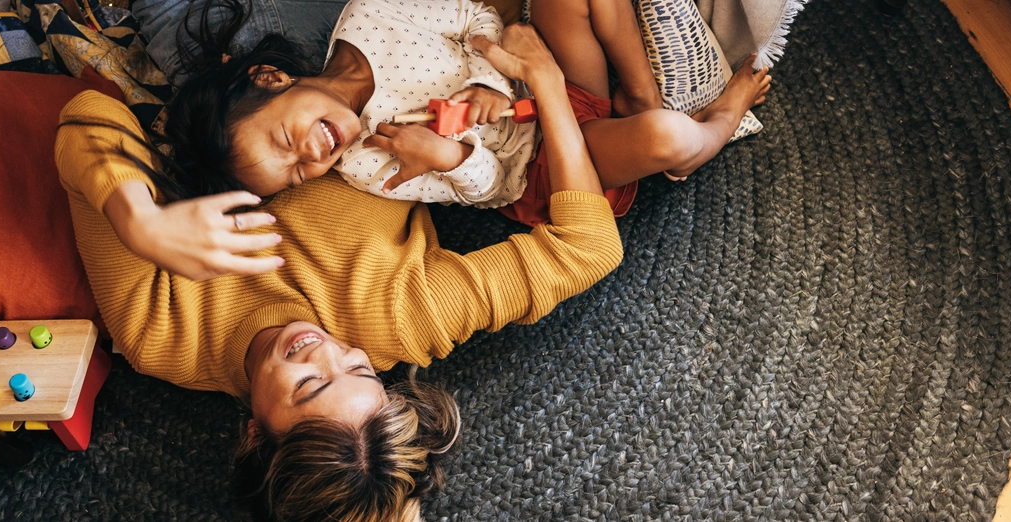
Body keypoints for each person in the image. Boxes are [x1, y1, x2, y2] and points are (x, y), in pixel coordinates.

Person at [56, 23, 621, 521]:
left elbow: (88, 116)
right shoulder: (400, 318)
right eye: (360, 371)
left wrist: (141, 223)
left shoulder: (163, 336)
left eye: (308, 385)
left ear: (254, 436)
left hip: (226, 88)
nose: (326, 349)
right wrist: (547, 84)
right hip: (398, 51)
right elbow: (588, 247)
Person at [146, 0, 770, 227]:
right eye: (296, 176)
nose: (311, 159)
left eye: (286, 139)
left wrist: (487, 77)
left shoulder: (374, 14)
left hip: (537, 80)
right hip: (543, 165)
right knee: (665, 139)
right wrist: (453, 157)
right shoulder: (369, 163)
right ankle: (715, 124)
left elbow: (476, 18)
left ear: (270, 78)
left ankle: (638, 92)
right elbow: (494, 190)